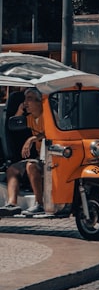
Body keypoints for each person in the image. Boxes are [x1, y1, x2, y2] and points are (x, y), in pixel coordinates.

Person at [2, 88, 46, 216]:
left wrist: (33, 138)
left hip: (53, 159)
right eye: (25, 99)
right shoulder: (30, 118)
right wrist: (21, 109)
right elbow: (13, 125)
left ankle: (39, 204)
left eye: (30, 99)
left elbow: (51, 132)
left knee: (31, 166)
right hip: (40, 158)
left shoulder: (48, 116)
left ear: (40, 102)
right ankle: (12, 204)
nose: (26, 102)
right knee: (12, 169)